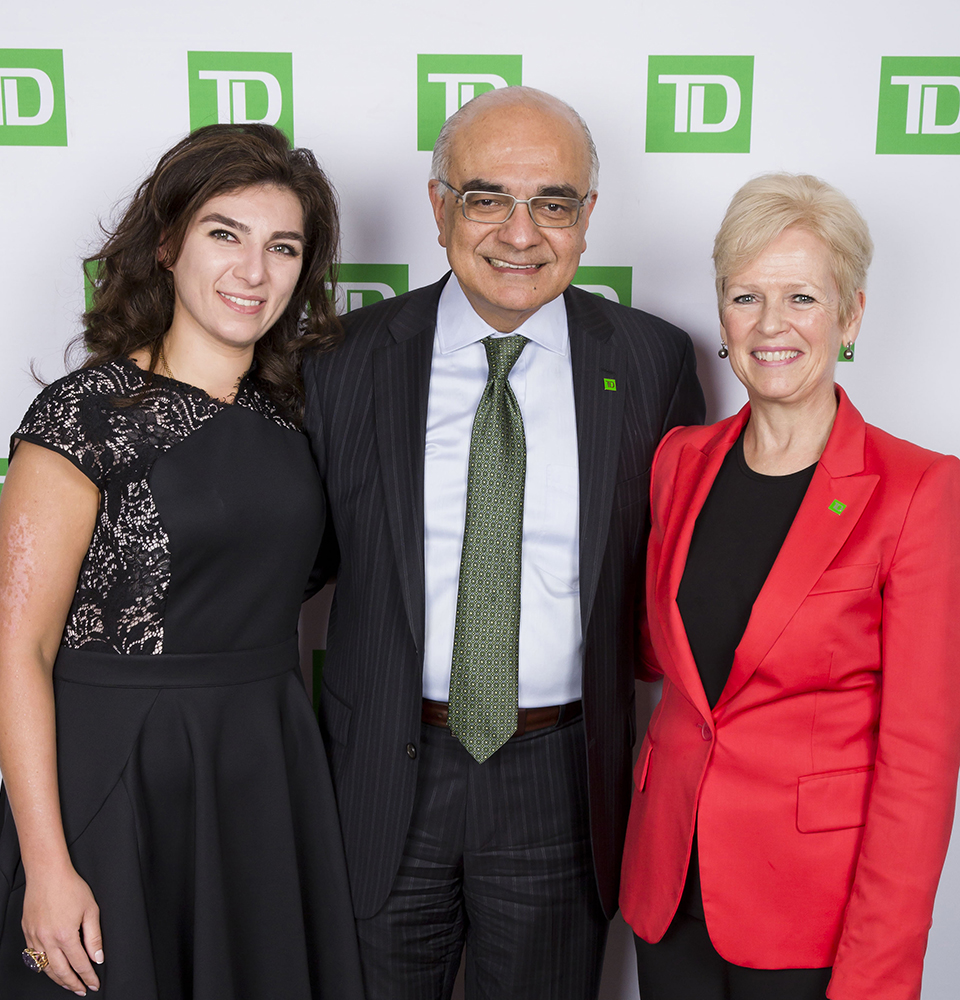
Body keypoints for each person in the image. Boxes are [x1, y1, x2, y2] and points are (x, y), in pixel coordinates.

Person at [302, 86, 705, 999]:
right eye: (488, 198)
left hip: (558, 783)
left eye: (553, 203)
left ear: (588, 219)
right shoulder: (340, 360)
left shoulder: (651, 362)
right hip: (380, 779)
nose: (521, 233)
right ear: (439, 205)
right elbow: (288, 562)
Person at [0, 123, 364, 1000]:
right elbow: (21, 653)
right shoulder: (87, 415)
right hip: (117, 772)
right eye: (225, 234)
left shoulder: (295, 418)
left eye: (282, 247)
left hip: (260, 763)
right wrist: (46, 863)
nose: (253, 271)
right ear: (167, 244)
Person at [620, 173, 960, 1000]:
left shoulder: (920, 490)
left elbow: (920, 763)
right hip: (670, 891)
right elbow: (660, 664)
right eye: (746, 297)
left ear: (849, 315)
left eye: (802, 297)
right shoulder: (679, 462)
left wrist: (877, 974)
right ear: (723, 314)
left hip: (812, 912)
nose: (772, 326)